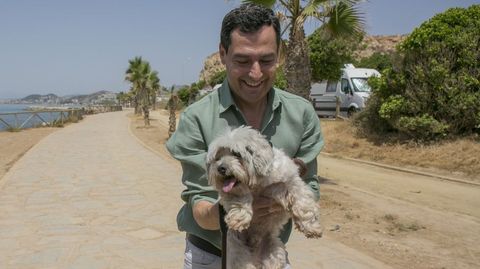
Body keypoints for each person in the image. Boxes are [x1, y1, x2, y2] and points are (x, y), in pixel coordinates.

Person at [166, 3, 324, 268]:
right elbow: (201, 208)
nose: (255, 73)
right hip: (211, 256)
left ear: (280, 55)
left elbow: (311, 188)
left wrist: (285, 201)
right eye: (242, 60)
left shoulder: (302, 114)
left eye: (266, 60)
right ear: (223, 54)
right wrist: (236, 205)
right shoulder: (196, 118)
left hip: (271, 250)